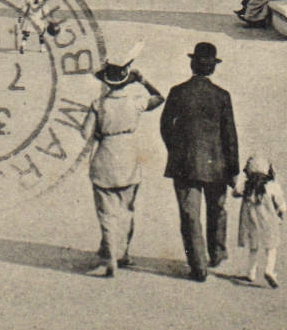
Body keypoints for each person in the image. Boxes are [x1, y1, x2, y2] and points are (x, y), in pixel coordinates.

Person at [81, 47, 164, 278]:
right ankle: (123, 253)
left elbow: (84, 132)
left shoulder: (98, 104)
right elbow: (159, 98)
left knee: (106, 212)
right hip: (128, 157)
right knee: (127, 209)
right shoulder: (135, 101)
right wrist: (144, 81)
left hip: (104, 156)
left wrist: (99, 133)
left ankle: (109, 258)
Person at [160, 41, 239, 282]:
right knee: (217, 210)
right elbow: (230, 136)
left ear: (192, 64)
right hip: (217, 164)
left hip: (184, 164)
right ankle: (216, 253)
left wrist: (176, 150)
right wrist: (233, 168)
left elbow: (165, 126)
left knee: (189, 215)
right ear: (213, 68)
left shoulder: (177, 92)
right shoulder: (222, 96)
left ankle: (198, 266)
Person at [233, 155, 286, 288]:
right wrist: (281, 213)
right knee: (271, 247)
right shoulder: (272, 186)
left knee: (253, 248)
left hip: (250, 222)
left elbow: (235, 193)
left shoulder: (246, 186)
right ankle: (269, 270)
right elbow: (282, 205)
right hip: (268, 222)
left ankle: (251, 272)